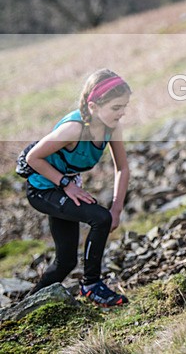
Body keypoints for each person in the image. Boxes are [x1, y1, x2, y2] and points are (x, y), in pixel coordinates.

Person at [25, 69, 132, 307]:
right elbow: (33, 158)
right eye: (116, 107)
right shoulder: (74, 129)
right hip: (42, 189)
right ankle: (91, 285)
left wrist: (117, 208)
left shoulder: (111, 127)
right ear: (93, 106)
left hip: (63, 189)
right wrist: (65, 184)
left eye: (124, 106)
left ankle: (27, 306)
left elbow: (122, 168)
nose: (122, 112)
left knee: (65, 262)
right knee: (99, 218)